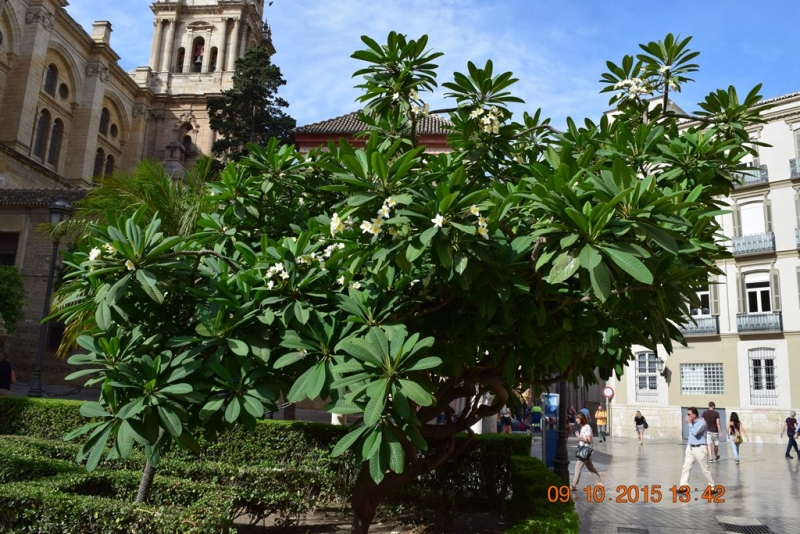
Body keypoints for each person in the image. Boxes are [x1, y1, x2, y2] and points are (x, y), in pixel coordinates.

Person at [680, 407, 715, 489]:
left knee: (705, 469)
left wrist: (689, 423)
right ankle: (684, 486)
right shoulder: (691, 423)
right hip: (690, 448)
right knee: (686, 468)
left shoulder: (702, 423)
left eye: (689, 414)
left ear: (694, 415)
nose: (687, 416)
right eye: (687, 414)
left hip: (700, 448)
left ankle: (712, 486)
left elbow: (695, 432)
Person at [570, 413, 603, 490]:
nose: (576, 420)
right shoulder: (583, 427)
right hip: (585, 450)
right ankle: (599, 483)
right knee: (590, 468)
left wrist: (579, 437)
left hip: (585, 450)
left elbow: (589, 440)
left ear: (581, 418)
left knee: (578, 467)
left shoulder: (587, 427)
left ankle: (574, 485)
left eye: (577, 418)